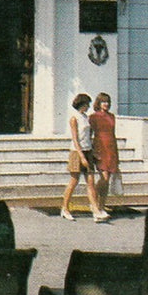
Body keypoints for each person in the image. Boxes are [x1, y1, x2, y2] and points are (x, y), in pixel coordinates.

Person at [61, 93, 108, 223]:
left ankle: (96, 211)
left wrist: (92, 152)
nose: (88, 107)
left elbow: (89, 136)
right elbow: (75, 139)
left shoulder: (86, 118)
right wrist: (81, 156)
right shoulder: (74, 118)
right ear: (81, 104)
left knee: (91, 182)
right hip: (77, 153)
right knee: (74, 181)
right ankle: (65, 208)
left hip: (88, 151)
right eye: (87, 104)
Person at [89, 92, 121, 212]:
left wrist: (116, 155)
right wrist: (93, 151)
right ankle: (93, 200)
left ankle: (101, 205)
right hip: (100, 147)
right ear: (99, 103)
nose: (106, 104)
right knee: (104, 178)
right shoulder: (93, 117)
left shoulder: (111, 116)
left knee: (108, 179)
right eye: (103, 102)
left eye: (107, 102)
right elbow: (89, 134)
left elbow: (113, 134)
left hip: (111, 148)